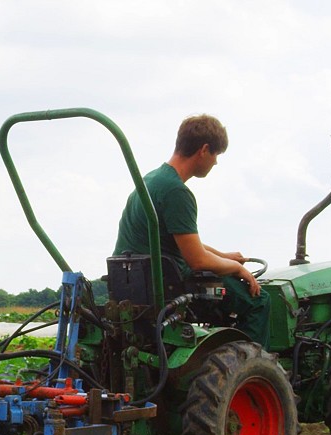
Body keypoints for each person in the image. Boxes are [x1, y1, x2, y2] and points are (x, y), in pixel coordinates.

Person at [114, 114, 271, 347]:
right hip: (170, 287)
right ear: (204, 150)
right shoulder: (177, 192)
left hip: (133, 283)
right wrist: (237, 268)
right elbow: (197, 260)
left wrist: (224, 256)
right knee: (260, 302)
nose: (216, 162)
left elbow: (178, 240)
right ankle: (253, 366)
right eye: (216, 155)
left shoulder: (150, 180)